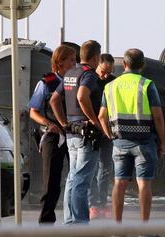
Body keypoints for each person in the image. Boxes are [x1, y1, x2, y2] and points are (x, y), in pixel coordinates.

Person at [98, 48, 165, 223]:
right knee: (144, 184)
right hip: (144, 143)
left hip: (119, 143)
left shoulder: (110, 86)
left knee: (119, 183)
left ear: (125, 64)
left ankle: (117, 228)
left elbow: (101, 116)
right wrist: (162, 142)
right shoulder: (147, 85)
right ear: (142, 65)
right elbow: (158, 116)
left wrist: (110, 135)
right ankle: (143, 227)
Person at [50, 40, 102, 224]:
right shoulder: (89, 75)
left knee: (72, 177)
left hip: (71, 132)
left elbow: (54, 100)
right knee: (82, 179)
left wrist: (64, 122)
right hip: (86, 134)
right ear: (96, 57)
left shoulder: (70, 73)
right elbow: (82, 96)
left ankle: (70, 221)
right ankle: (80, 223)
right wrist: (95, 121)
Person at [27, 44, 76, 224]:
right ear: (60, 62)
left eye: (75, 59)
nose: (74, 63)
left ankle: (74, 219)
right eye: (71, 60)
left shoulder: (76, 81)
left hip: (73, 135)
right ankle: (46, 222)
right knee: (52, 182)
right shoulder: (46, 83)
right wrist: (49, 124)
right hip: (53, 136)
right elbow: (33, 111)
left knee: (76, 177)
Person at [88, 53, 116, 219]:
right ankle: (93, 204)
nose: (105, 75)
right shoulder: (89, 80)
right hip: (92, 129)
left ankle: (103, 202)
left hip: (107, 130)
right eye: (103, 71)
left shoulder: (113, 81)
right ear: (97, 64)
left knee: (106, 167)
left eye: (109, 72)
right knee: (91, 168)